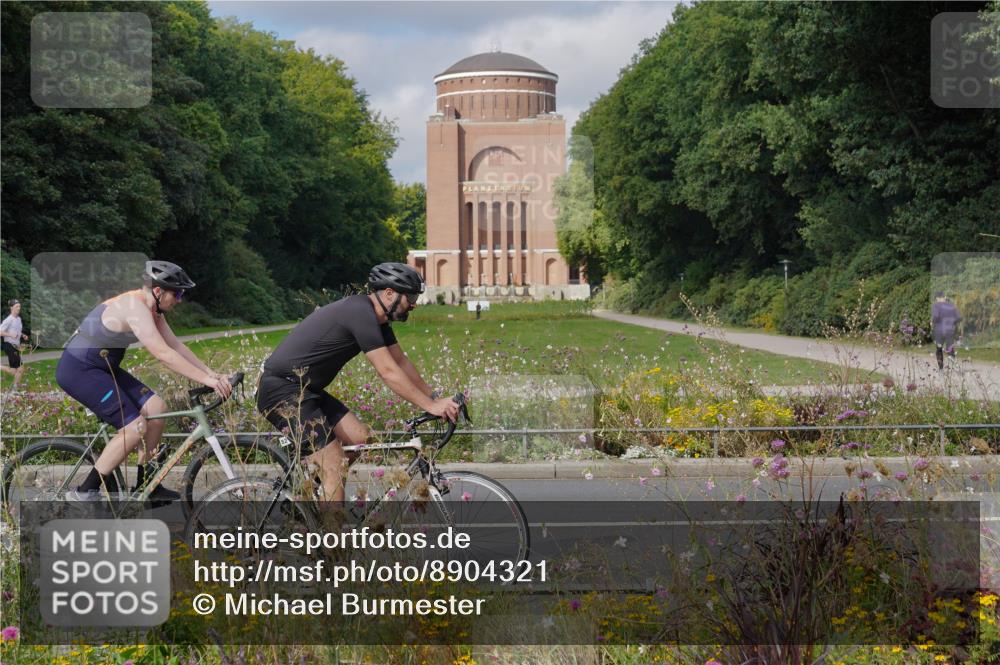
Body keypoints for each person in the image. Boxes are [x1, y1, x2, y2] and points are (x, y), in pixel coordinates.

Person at [257, 262, 460, 501]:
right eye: (410, 296)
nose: (414, 304)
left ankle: (307, 502)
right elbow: (387, 371)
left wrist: (434, 397)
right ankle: (334, 536)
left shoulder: (377, 319)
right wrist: (429, 406)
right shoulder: (359, 311)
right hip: (281, 389)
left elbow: (400, 362)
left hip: (306, 389)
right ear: (389, 293)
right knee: (333, 462)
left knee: (360, 439)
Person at [56, 261, 232, 500]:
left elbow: (176, 346)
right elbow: (163, 354)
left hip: (103, 366)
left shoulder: (154, 309)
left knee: (156, 407)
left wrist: (212, 375)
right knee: (134, 427)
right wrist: (206, 380)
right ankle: (84, 492)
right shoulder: (135, 308)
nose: (179, 299)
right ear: (158, 291)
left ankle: (148, 486)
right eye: (177, 293)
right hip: (80, 369)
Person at [1, 299, 30, 391]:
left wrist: (22, 335)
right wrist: (10, 335)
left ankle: (14, 389)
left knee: (17, 370)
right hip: (9, 345)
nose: (19, 308)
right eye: (17, 306)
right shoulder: (8, 320)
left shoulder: (18, 319)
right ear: (11, 308)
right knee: (19, 369)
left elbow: (17, 331)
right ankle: (14, 389)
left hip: (16, 346)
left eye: (19, 306)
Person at [931, 291, 962, 370]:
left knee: (939, 349)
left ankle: (941, 369)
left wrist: (932, 323)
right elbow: (959, 318)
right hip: (950, 330)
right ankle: (952, 358)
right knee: (950, 348)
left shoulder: (936, 306)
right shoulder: (951, 306)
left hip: (939, 330)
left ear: (937, 298)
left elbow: (936, 317)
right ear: (944, 297)